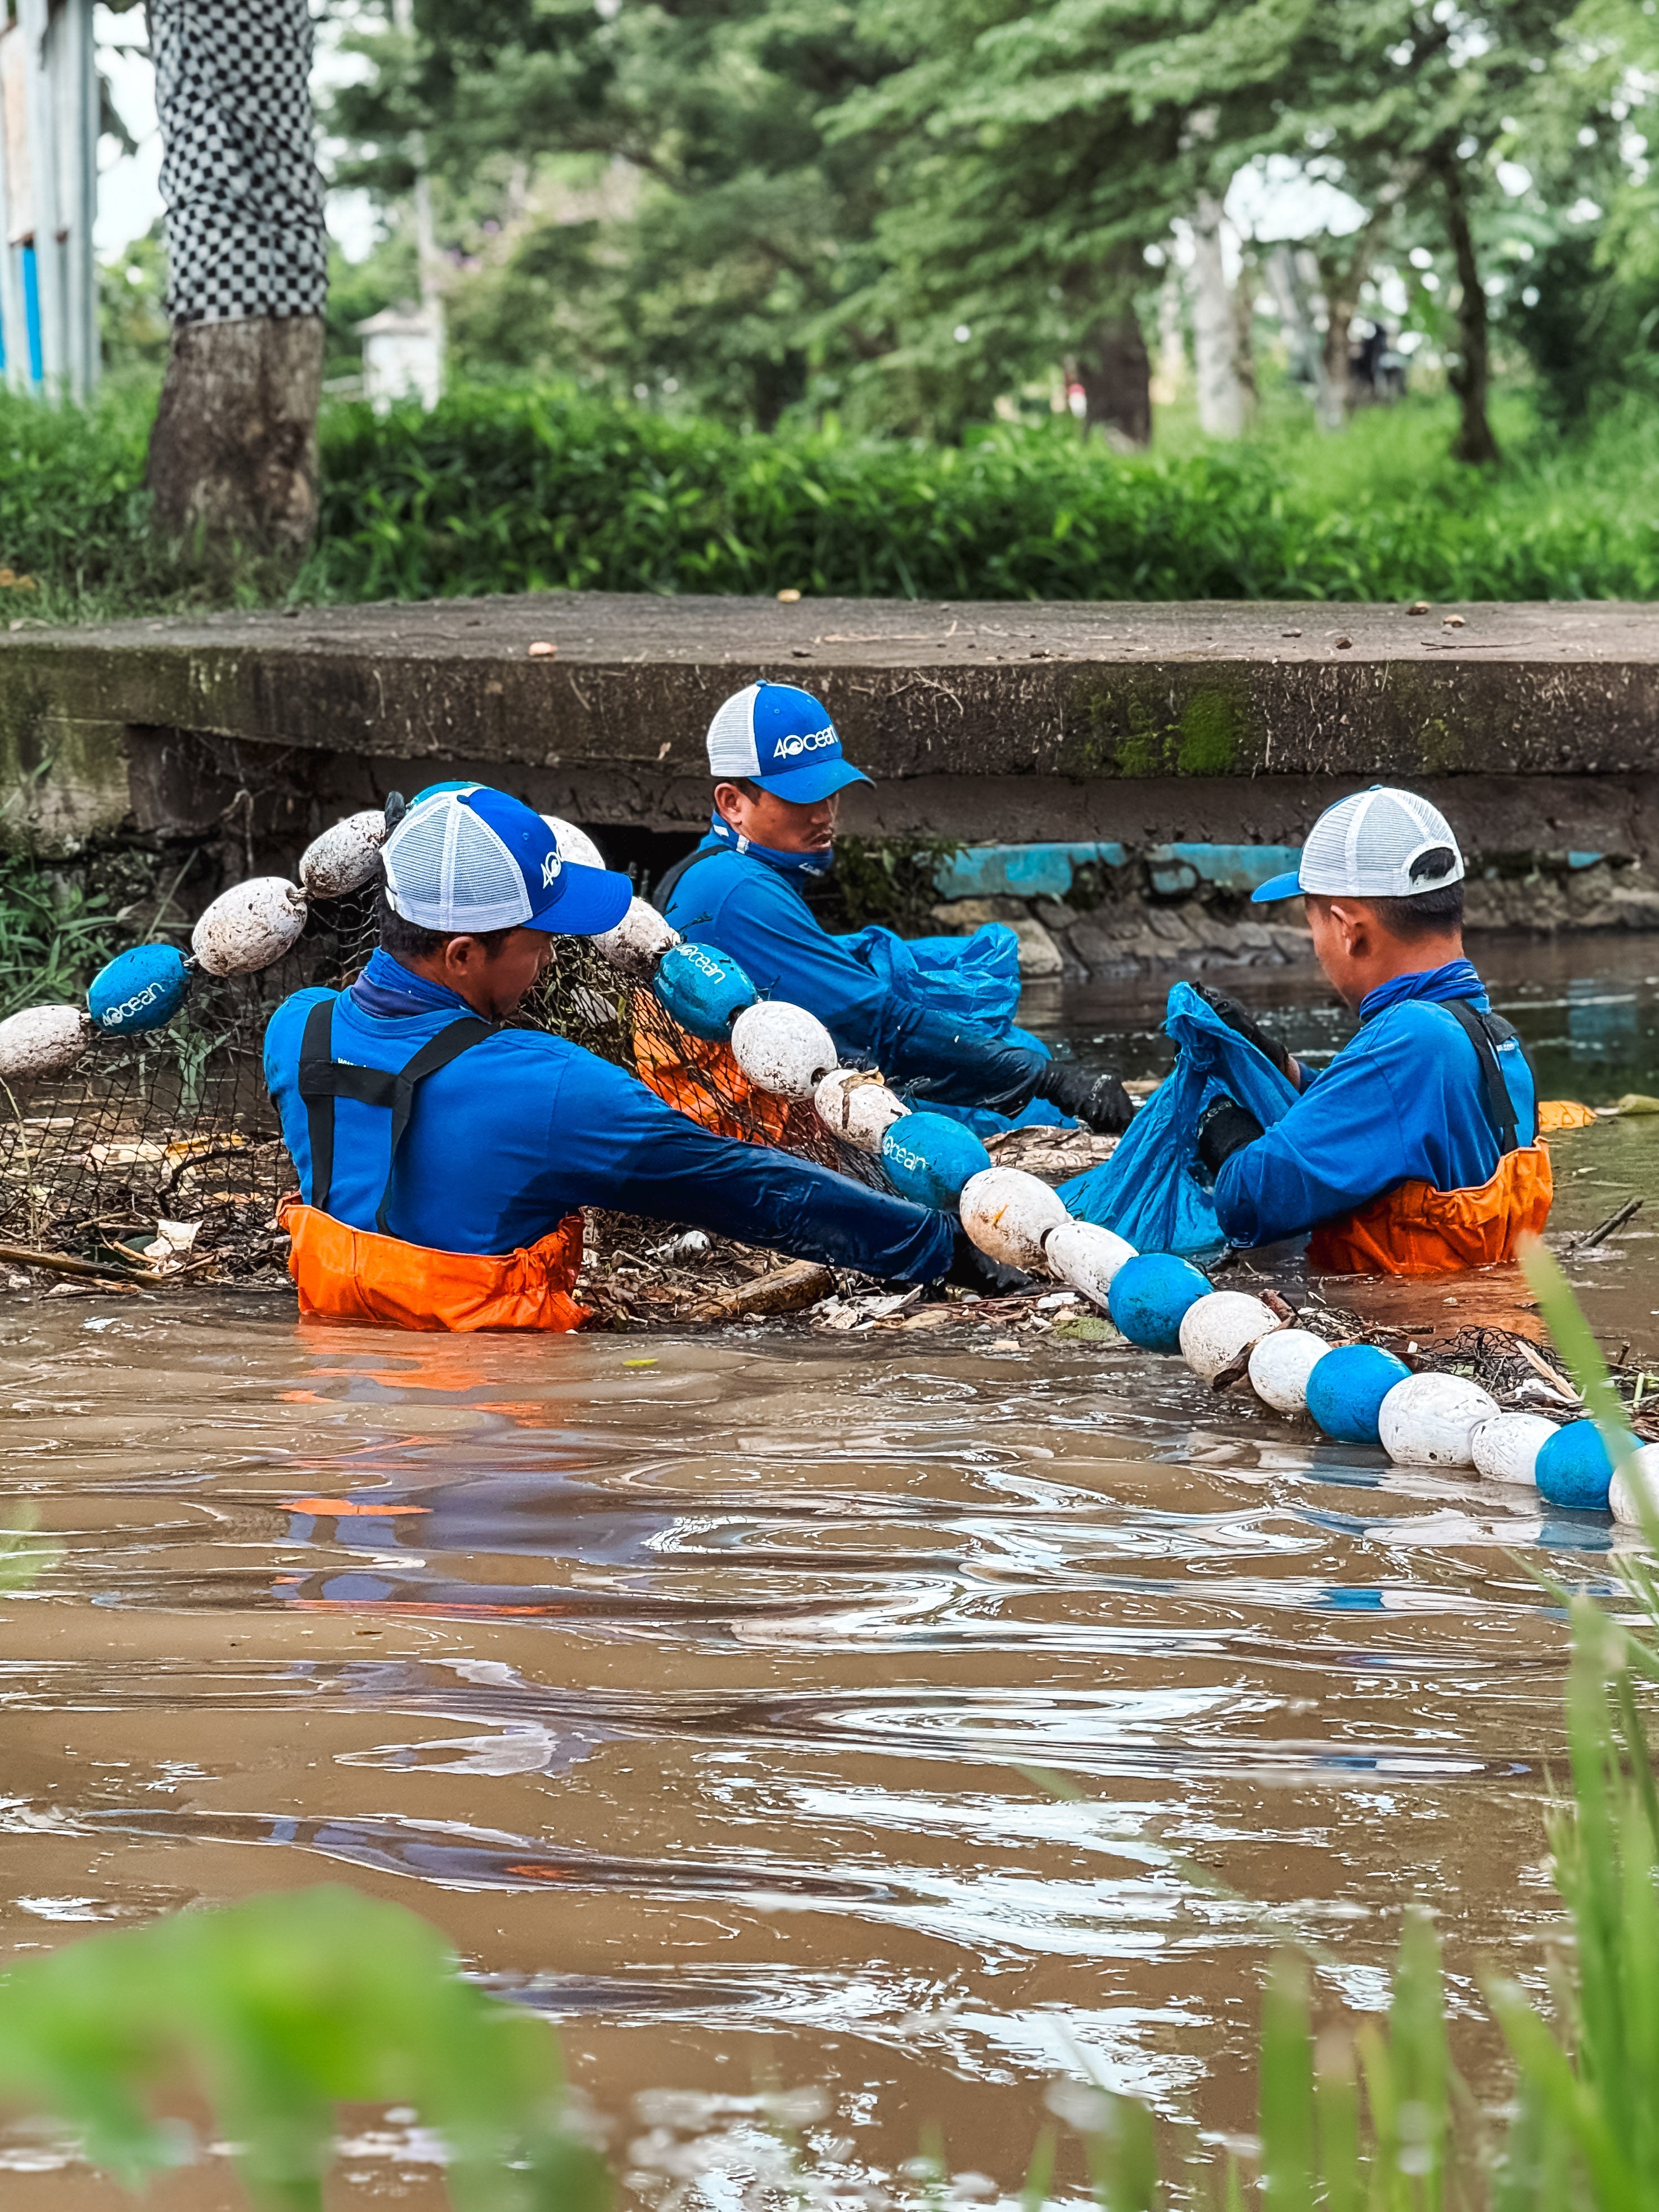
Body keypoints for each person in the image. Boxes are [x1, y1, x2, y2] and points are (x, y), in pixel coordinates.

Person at [263, 784, 990, 1332]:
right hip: (502, 1430)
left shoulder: (296, 1035)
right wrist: (941, 1248)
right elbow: (752, 1191)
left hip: (341, 1439)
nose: (551, 958)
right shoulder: (550, 1087)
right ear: (461, 954)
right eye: (539, 939)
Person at [656, 682, 1131, 1135]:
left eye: (828, 792)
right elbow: (882, 1028)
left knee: (1017, 1051)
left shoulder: (718, 874)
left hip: (746, 1104)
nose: (824, 814)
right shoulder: (738, 892)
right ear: (733, 803)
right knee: (1028, 1074)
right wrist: (1050, 1081)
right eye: (800, 797)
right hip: (747, 1127)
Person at [1191, 785, 1551, 1274]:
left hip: (1406, 1335)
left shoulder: (1406, 1042)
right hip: (1484, 1327)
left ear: (1345, 928)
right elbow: (1396, 1133)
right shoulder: (1494, 1039)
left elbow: (1247, 1205)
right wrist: (1282, 1067)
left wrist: (1222, 1129)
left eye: (1312, 924)